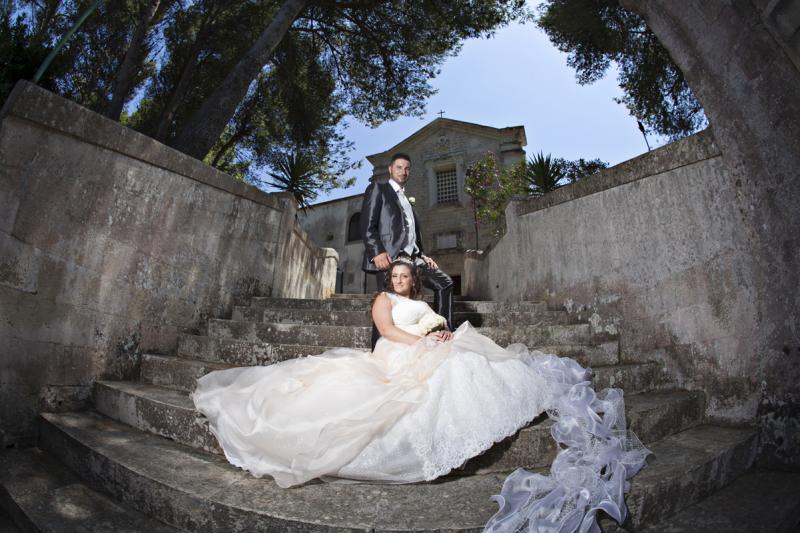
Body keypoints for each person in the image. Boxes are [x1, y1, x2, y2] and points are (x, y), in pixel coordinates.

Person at [192, 260, 649, 532]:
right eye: (394, 275)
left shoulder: (426, 299)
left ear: (413, 280)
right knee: (442, 370)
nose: (398, 280)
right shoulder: (384, 301)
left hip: (427, 344)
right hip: (398, 352)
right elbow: (388, 332)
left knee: (468, 357)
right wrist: (424, 343)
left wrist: (440, 334)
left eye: (405, 276)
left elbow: (444, 296)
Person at [361, 152, 454, 350]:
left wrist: (422, 255)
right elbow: (367, 225)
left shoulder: (407, 200)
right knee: (385, 307)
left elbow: (411, 233)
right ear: (390, 169)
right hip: (388, 257)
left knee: (444, 283)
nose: (403, 171)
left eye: (407, 168)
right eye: (399, 167)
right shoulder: (378, 189)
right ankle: (378, 353)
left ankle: (444, 331)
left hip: (414, 258)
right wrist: (377, 252)